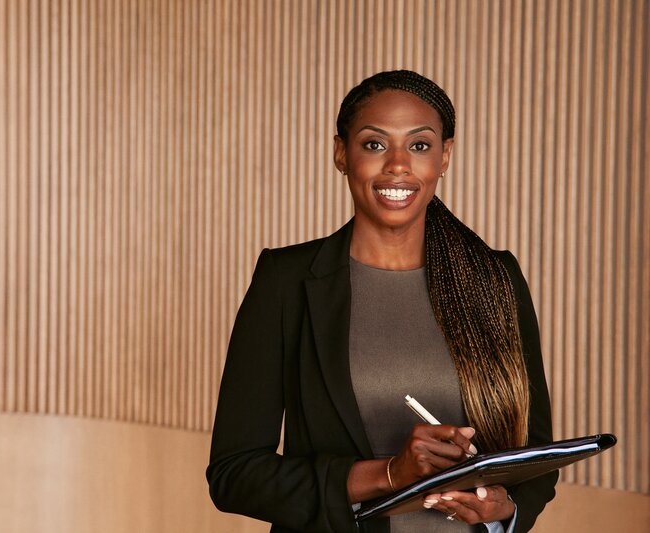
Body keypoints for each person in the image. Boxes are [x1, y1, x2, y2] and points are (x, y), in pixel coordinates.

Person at [206, 70, 557, 533]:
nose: (397, 165)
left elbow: (535, 454)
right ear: (341, 153)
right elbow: (235, 474)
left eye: (419, 145)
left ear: (444, 156)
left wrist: (503, 509)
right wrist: (389, 474)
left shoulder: (496, 278)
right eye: (374, 144)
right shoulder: (287, 281)